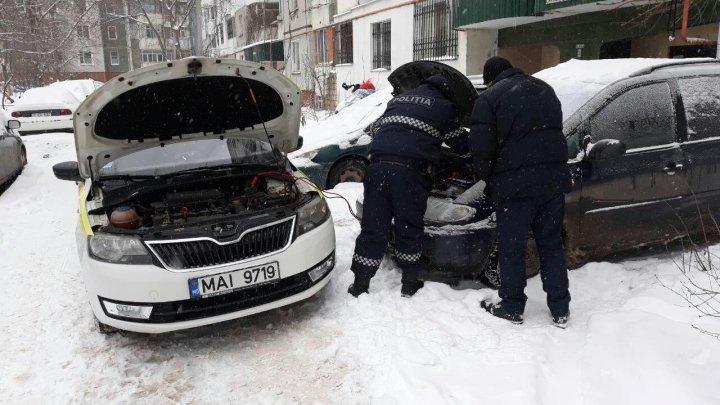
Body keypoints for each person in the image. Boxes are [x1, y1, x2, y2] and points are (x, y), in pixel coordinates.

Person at [469, 57, 572, 328]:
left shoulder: (489, 99)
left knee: (512, 248)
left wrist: (487, 177)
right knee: (551, 245)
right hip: (552, 183)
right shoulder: (545, 89)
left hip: (515, 189)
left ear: (489, 79)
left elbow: (481, 151)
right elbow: (553, 133)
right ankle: (560, 308)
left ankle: (513, 305)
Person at [349, 74, 469, 298]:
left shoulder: (398, 100)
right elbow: (461, 145)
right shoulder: (443, 106)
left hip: (377, 168)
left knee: (373, 227)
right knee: (409, 226)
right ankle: (410, 282)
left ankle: (360, 284)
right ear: (445, 92)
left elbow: (378, 130)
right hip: (408, 172)